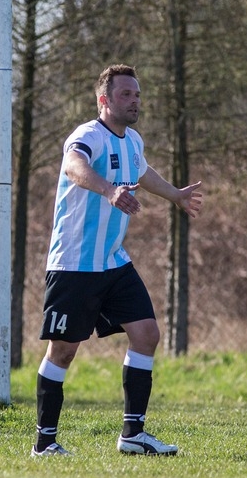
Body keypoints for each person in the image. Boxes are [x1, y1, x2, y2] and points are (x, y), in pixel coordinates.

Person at [32, 65, 203, 457]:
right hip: (75, 264)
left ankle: (132, 435)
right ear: (104, 100)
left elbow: (143, 172)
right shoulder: (88, 135)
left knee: (146, 334)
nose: (135, 101)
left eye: (137, 94)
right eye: (126, 94)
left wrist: (176, 195)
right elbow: (74, 166)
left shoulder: (133, 141)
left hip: (113, 262)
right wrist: (109, 191)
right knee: (63, 351)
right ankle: (44, 442)